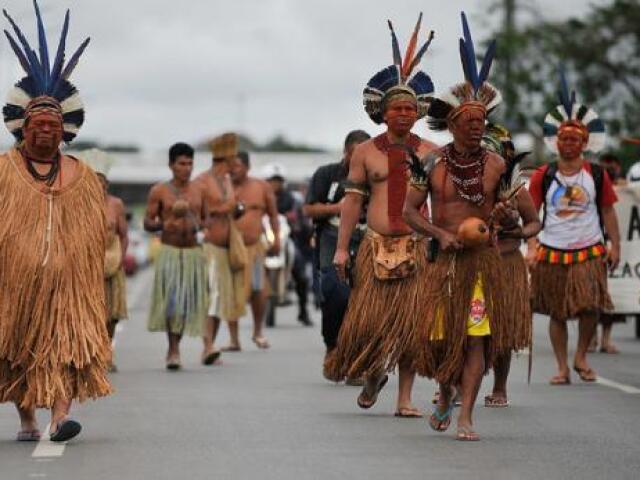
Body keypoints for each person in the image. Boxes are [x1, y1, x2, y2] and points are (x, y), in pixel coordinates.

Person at [404, 12, 520, 440]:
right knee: (438, 341)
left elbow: (522, 219)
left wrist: (505, 224)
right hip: (443, 268)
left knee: (477, 342)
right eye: (468, 122)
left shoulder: (497, 166)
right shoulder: (432, 164)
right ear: (452, 124)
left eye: (481, 122)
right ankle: (445, 391)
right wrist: (440, 233)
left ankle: (467, 415)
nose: (476, 127)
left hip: (480, 271)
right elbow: (409, 213)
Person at [0, 1, 111, 443]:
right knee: (18, 350)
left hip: (67, 287)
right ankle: (28, 418)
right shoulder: (5, 172)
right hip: (14, 283)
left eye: (52, 124)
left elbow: (91, 234)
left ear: (64, 130)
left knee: (65, 348)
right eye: (37, 124)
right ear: (22, 128)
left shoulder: (81, 177)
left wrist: (78, 274)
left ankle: (60, 418)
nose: (45, 130)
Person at [328, 15, 438, 417]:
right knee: (373, 324)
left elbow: (439, 201)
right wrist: (342, 250)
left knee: (411, 327)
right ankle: (374, 373)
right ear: (383, 113)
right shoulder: (365, 152)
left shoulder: (429, 152)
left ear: (418, 113)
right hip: (374, 248)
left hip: (417, 248)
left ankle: (405, 399)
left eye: (411, 109)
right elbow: (352, 203)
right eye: (398, 109)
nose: (405, 115)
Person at [527, 70, 620, 384]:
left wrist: (615, 246)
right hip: (553, 248)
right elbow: (531, 212)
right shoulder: (544, 173)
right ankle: (562, 367)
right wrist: (533, 245)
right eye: (564, 139)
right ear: (556, 142)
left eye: (575, 139)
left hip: (590, 247)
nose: (569, 144)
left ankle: (581, 355)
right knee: (557, 311)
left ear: (585, 142)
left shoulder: (596, 174)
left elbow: (608, 211)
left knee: (591, 305)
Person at [480, 125, 541, 407]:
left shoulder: (513, 186)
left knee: (501, 329)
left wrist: (517, 232)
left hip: (506, 262)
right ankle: (455, 382)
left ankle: (500, 388)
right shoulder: (460, 182)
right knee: (464, 327)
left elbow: (533, 222)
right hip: (470, 262)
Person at [303, 130, 371, 381]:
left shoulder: (376, 174)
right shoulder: (327, 174)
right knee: (335, 293)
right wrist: (340, 207)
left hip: (368, 238)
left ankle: (357, 362)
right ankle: (332, 346)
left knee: (364, 300)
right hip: (332, 237)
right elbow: (309, 208)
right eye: (356, 155)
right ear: (346, 152)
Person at [144, 143, 209, 370]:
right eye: (182, 163)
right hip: (169, 252)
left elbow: (206, 220)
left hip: (192, 253)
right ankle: (173, 350)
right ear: (171, 165)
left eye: (190, 163)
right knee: (172, 303)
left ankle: (176, 346)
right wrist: (167, 221)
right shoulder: (159, 191)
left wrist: (196, 221)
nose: (187, 168)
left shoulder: (199, 190)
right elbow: (147, 223)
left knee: (184, 304)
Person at [194, 132, 244, 366]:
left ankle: (209, 347)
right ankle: (207, 346)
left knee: (219, 300)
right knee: (211, 297)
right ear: (226, 159)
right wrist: (224, 208)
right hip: (209, 247)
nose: (237, 163)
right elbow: (196, 214)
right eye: (234, 158)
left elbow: (230, 207)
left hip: (226, 247)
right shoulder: (202, 181)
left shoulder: (226, 180)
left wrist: (234, 208)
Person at [227, 151, 280, 350]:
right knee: (232, 291)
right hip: (231, 247)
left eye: (237, 166)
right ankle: (234, 339)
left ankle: (258, 332)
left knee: (258, 289)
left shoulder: (261, 187)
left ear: (247, 167)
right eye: (231, 166)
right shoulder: (224, 188)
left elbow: (273, 215)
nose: (233, 170)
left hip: (255, 246)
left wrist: (276, 239)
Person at [84, 149, 129, 373]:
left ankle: (106, 351)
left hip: (112, 264)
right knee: (91, 313)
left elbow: (124, 234)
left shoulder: (116, 204)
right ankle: (92, 353)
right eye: (93, 181)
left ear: (107, 184)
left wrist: (120, 259)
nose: (98, 185)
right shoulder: (80, 204)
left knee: (111, 315)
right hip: (87, 266)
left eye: (101, 181)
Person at [265, 164, 314, 326]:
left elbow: (302, 221)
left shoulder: (292, 200)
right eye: (272, 180)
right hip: (264, 240)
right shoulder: (261, 198)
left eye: (278, 180)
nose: (275, 184)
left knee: (301, 273)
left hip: (287, 240)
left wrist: (298, 223)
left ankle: (303, 311)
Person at [591, 153, 627, 353]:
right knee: (592, 295)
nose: (609, 168)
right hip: (596, 244)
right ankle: (592, 339)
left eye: (613, 164)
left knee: (612, 295)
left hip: (616, 247)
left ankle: (605, 339)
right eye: (606, 164)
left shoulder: (626, 188)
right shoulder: (593, 187)